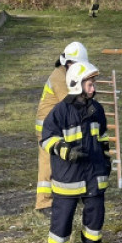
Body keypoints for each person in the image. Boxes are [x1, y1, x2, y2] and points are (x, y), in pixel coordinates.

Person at [41, 61, 112, 243]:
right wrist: (66, 151)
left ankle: (92, 241)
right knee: (63, 214)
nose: (93, 88)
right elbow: (47, 138)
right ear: (76, 84)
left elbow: (103, 138)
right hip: (69, 174)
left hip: (94, 171)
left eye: (93, 84)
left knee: (96, 211)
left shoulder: (96, 110)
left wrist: (106, 161)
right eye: (90, 84)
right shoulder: (60, 111)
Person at [34, 41, 88, 214]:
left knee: (66, 158)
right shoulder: (59, 77)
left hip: (61, 125)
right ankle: (43, 202)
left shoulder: (68, 74)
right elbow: (71, 101)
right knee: (47, 162)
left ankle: (68, 193)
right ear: (67, 62)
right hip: (48, 128)